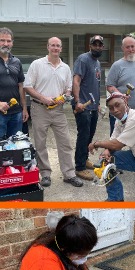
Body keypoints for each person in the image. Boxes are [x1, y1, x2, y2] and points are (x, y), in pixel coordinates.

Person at [23, 37, 84, 189]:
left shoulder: (65, 68)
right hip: (39, 108)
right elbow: (27, 86)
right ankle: (45, 174)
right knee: (40, 143)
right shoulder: (37, 64)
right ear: (47, 47)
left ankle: (69, 174)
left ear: (61, 49)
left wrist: (65, 96)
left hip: (58, 110)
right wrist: (44, 98)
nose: (55, 48)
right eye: (53, 45)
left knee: (65, 143)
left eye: (58, 46)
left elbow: (68, 88)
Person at [72, 36, 104, 181]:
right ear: (90, 45)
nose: (97, 47)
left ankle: (84, 160)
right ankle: (79, 168)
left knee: (89, 136)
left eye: (100, 45)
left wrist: (97, 104)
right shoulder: (83, 59)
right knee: (83, 136)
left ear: (102, 47)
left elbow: (95, 85)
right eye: (95, 44)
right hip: (82, 106)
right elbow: (76, 81)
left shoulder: (98, 63)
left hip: (92, 107)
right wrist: (78, 101)